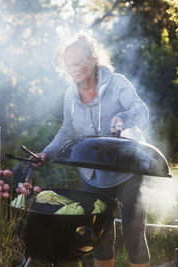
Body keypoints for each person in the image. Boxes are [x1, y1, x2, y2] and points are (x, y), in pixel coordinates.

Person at [31, 32, 150, 267]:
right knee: (100, 237)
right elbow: (67, 130)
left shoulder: (118, 83)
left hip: (128, 170)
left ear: (93, 59)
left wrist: (123, 118)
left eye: (77, 63)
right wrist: (47, 153)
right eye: (69, 66)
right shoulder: (70, 96)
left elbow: (141, 110)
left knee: (133, 235)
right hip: (93, 175)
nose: (73, 69)